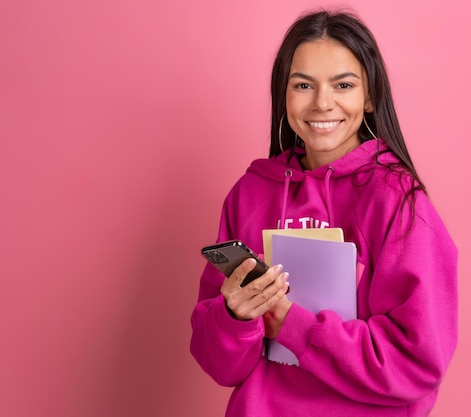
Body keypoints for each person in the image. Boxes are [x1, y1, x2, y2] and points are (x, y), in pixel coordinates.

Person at [190, 10, 457, 417]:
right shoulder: (251, 193)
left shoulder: (398, 201)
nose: (322, 103)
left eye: (343, 85)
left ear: (369, 97)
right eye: (303, 85)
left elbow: (416, 362)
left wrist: (292, 325)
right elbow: (220, 366)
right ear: (284, 93)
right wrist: (233, 315)